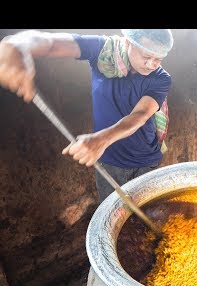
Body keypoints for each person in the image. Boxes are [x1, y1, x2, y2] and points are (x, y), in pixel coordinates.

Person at [0, 29, 173, 203]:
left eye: (158, 59)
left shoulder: (161, 79)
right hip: (110, 162)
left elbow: (141, 114)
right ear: (128, 42)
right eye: (146, 57)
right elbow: (50, 43)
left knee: (150, 215)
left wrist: (101, 139)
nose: (151, 65)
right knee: (114, 217)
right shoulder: (102, 51)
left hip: (146, 160)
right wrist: (16, 45)